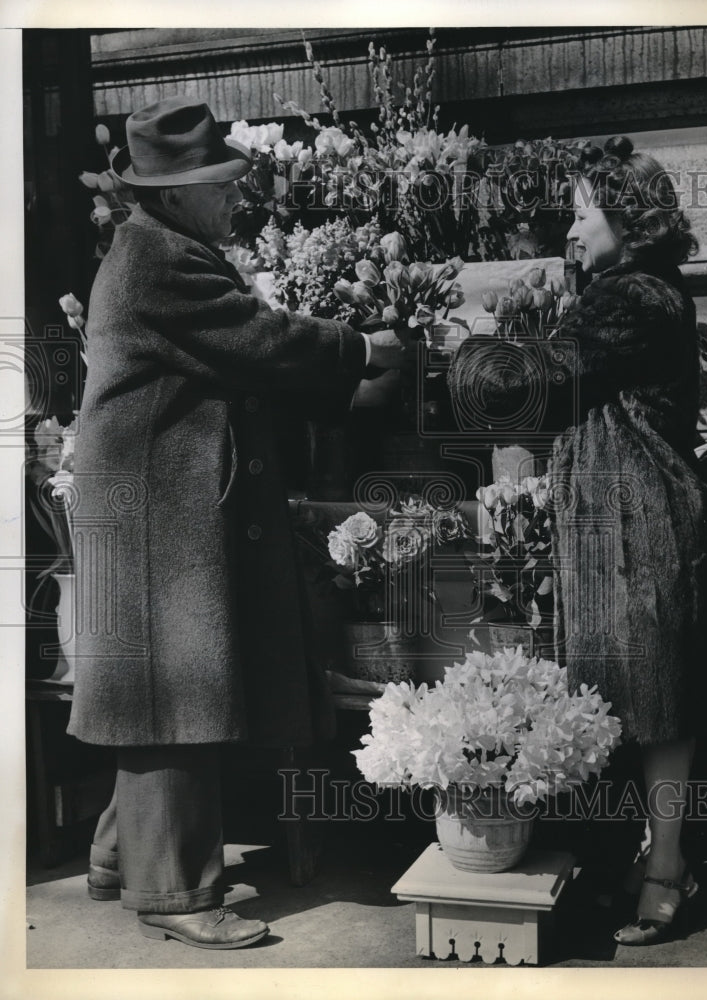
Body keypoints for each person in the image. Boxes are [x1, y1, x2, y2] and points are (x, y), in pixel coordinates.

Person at [67, 96, 405, 949]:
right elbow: (259, 337)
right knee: (173, 694)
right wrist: (363, 349)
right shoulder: (161, 257)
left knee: (155, 694)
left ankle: (121, 856)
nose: (235, 195)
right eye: (221, 183)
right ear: (174, 192)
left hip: (149, 507)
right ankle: (175, 894)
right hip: (153, 516)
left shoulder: (160, 245)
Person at [448, 136, 707, 945]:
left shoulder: (633, 297)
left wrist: (460, 355)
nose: (570, 229)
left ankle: (667, 867)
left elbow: (536, 381)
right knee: (620, 700)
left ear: (626, 220)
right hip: (614, 523)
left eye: (581, 213)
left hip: (641, 524)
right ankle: (635, 859)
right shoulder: (626, 289)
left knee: (659, 703)